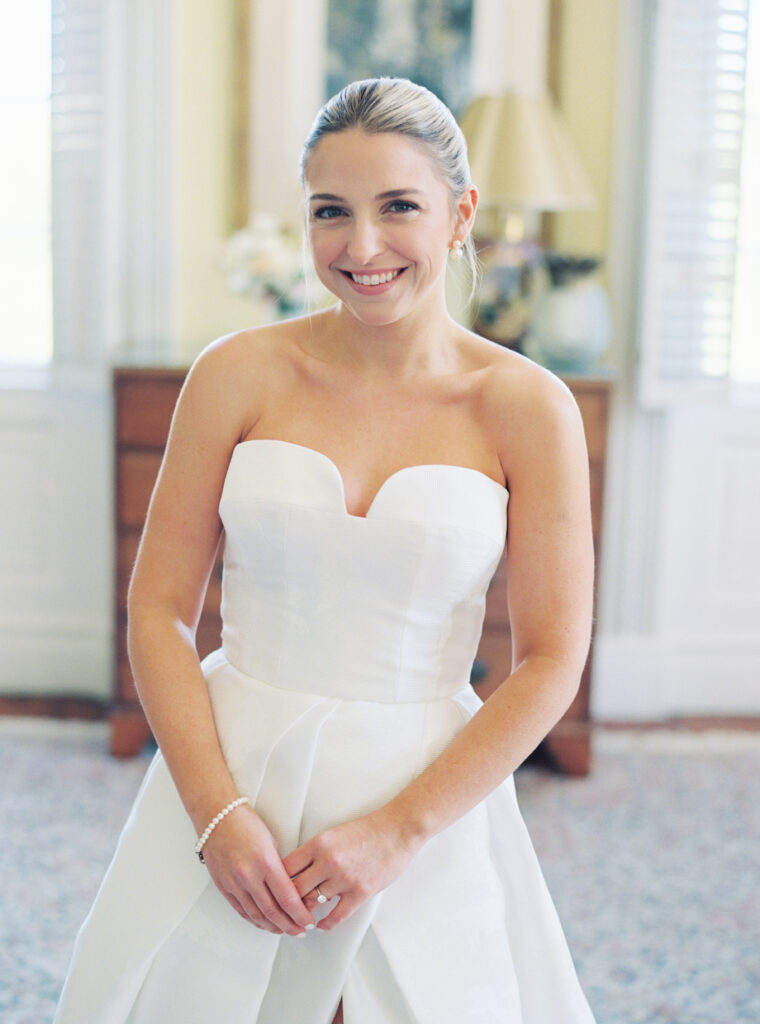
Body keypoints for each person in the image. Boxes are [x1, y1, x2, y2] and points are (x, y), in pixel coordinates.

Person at [55, 77, 596, 1023]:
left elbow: (551, 659)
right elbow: (158, 610)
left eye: (399, 208)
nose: (362, 247)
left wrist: (401, 831)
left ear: (461, 213)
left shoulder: (526, 406)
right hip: (237, 771)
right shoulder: (235, 374)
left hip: (420, 786)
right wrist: (214, 814)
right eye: (330, 213)